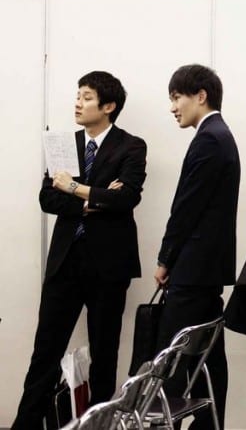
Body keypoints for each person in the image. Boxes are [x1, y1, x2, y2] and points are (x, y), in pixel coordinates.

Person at [13, 71, 147, 430]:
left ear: (108, 106)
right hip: (65, 262)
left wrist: (73, 187)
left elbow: (127, 197)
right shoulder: (62, 144)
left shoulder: (131, 146)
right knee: (45, 353)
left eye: (87, 97)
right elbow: (47, 197)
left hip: (109, 266)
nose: (77, 102)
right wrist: (93, 198)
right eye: (78, 95)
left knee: (105, 354)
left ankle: (99, 426)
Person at [154, 64, 240, 430]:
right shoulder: (221, 135)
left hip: (193, 267)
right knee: (207, 360)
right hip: (208, 268)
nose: (173, 107)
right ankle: (209, 425)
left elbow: (186, 207)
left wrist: (164, 259)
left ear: (200, 96)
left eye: (177, 97)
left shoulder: (208, 138)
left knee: (173, 361)